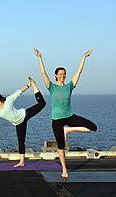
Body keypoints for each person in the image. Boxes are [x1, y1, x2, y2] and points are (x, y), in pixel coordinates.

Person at [34, 48, 97, 178]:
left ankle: (68, 130)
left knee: (92, 128)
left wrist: (83, 57)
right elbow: (43, 73)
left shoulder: (69, 86)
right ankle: (64, 168)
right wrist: (40, 57)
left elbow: (79, 72)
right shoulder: (52, 87)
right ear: (56, 75)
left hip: (69, 116)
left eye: (64, 74)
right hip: (57, 120)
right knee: (61, 146)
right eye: (60, 74)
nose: (63, 76)